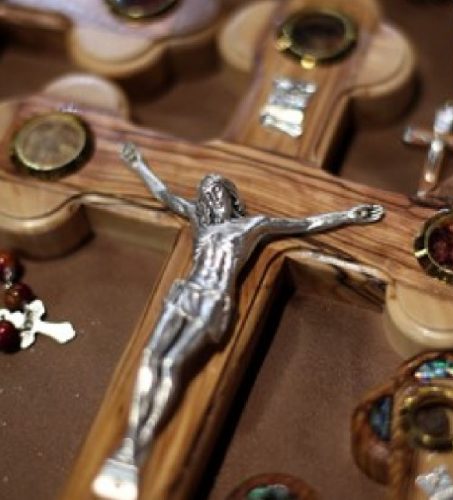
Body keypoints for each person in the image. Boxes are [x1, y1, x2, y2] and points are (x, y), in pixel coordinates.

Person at [93, 143, 384, 500]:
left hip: (213, 302)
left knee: (171, 364)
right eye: (207, 193)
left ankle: (142, 444)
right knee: (150, 358)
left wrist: (351, 215)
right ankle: (128, 444)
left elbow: (306, 224)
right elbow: (164, 195)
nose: (212, 197)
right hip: (184, 293)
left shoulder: (251, 227)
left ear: (231, 198)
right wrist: (139, 165)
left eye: (218, 191)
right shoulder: (199, 220)